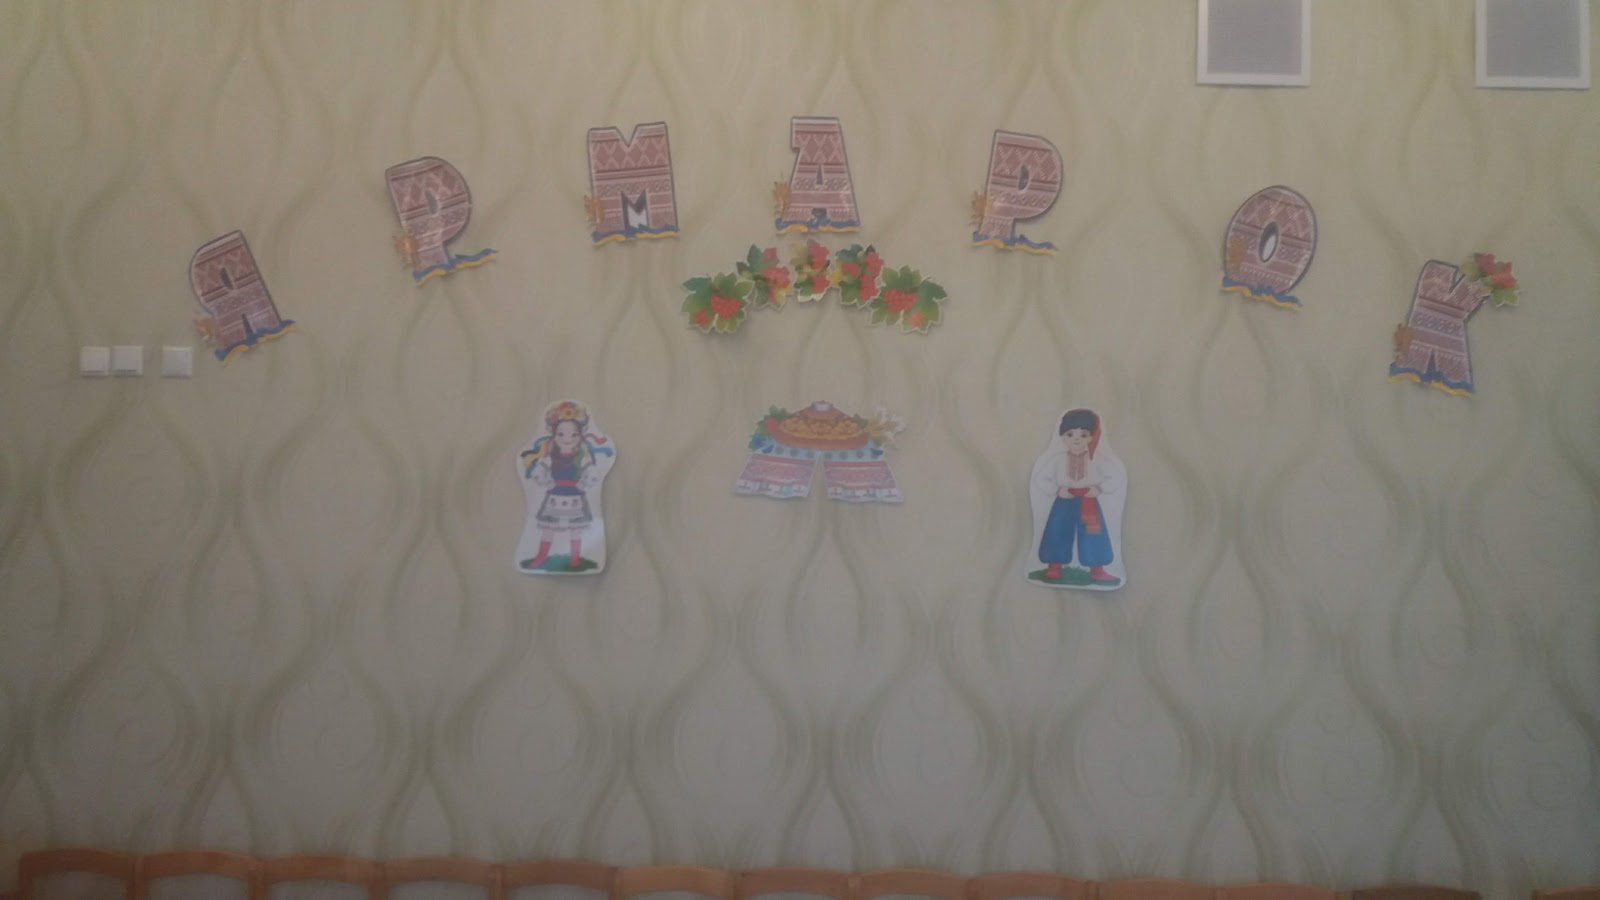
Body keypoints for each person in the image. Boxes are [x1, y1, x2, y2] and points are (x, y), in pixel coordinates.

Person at [1030, 408, 1126, 587]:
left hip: (1088, 501)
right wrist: (1057, 490)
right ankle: (1054, 567)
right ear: (1062, 436)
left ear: (1091, 437)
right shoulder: (1057, 459)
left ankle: (1097, 570)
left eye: (1083, 435)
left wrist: (1099, 489)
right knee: (1057, 531)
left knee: (1093, 532)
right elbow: (1041, 478)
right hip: (1063, 501)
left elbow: (1115, 476)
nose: (1076, 439)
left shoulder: (1097, 459)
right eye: (1070, 434)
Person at [519, 401, 613, 571]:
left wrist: (583, 484)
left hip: (575, 496)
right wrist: (547, 482)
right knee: (548, 528)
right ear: (553, 434)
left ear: (581, 435)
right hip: (555, 496)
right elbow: (538, 472)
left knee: (575, 529)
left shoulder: (582, 457)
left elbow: (592, 473)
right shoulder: (550, 456)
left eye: (574, 435)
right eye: (561, 434)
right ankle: (541, 556)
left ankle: (575, 557)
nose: (567, 439)